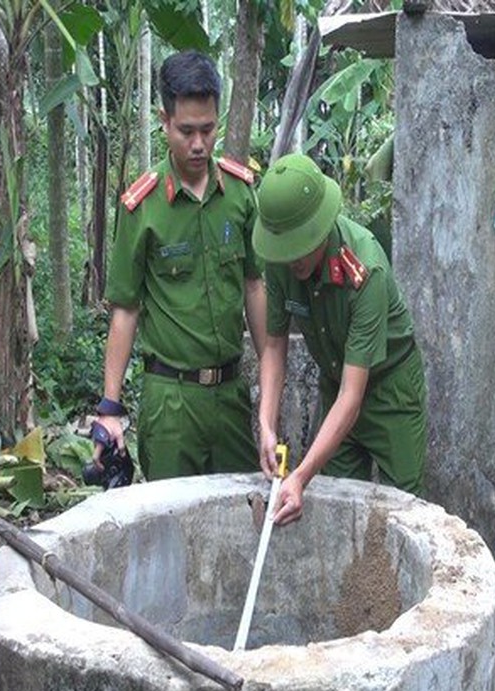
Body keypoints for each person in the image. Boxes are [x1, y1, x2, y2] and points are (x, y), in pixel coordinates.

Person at [93, 50, 266, 479]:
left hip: (231, 396)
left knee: (238, 520)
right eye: (186, 130)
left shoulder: (242, 194)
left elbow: (254, 286)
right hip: (171, 403)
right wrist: (109, 409)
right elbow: (125, 308)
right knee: (169, 529)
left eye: (208, 130)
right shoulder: (143, 206)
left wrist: (270, 383)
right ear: (164, 120)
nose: (198, 144)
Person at [253, 153, 427, 525]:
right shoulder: (283, 261)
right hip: (336, 387)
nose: (292, 261)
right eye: (284, 251)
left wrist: (300, 476)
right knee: (342, 509)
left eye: (300, 247)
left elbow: (354, 395)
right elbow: (273, 346)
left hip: (390, 388)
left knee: (404, 512)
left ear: (320, 227)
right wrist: (266, 423)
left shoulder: (366, 270)